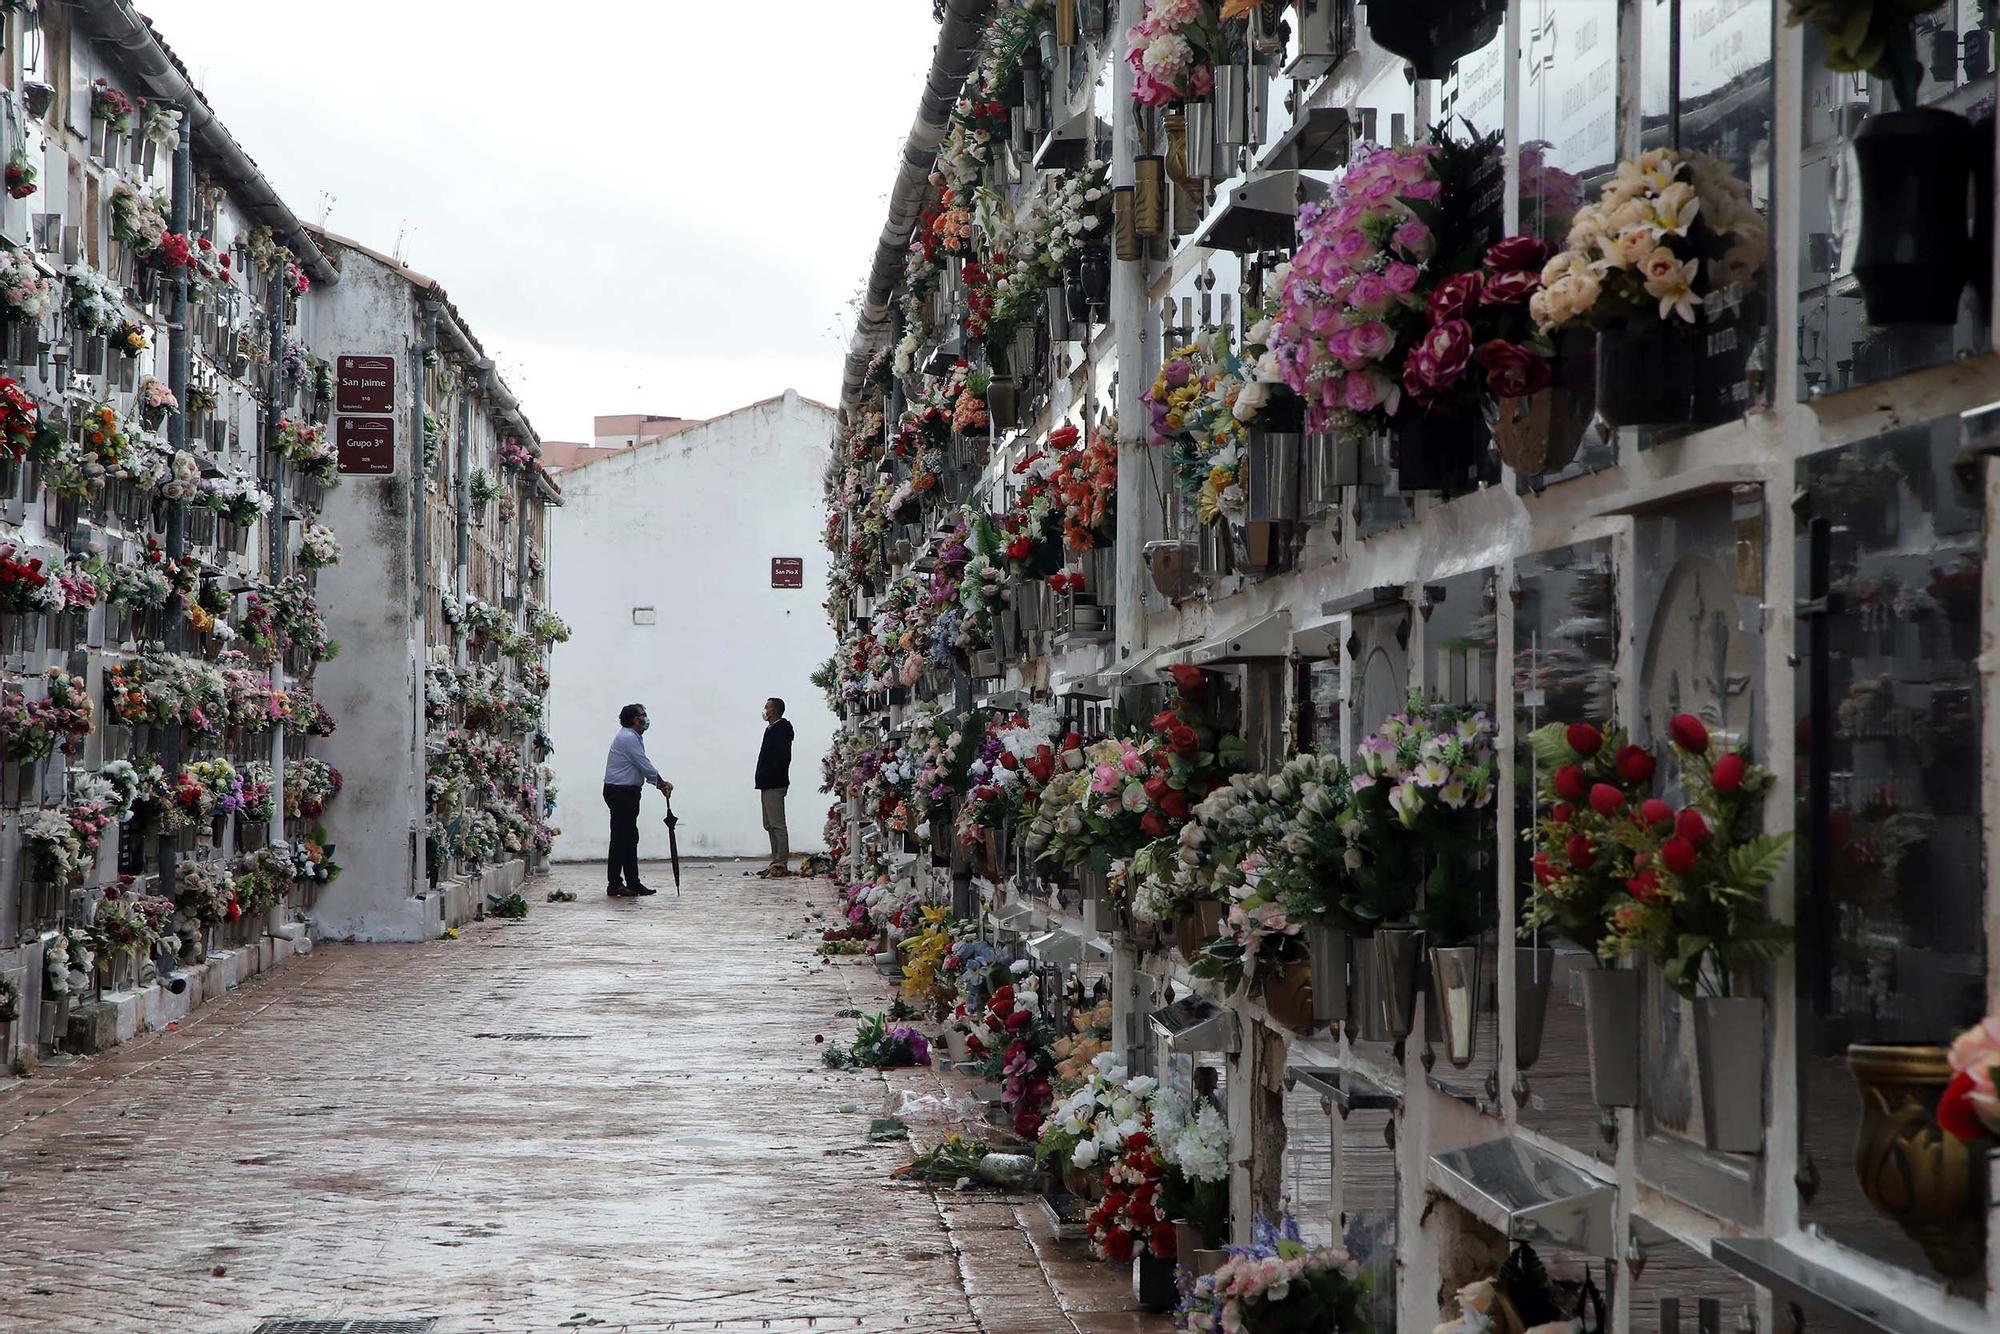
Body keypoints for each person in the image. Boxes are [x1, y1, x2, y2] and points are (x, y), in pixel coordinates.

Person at [603, 703, 672, 897]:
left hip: (628, 792)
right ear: (634, 719)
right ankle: (615, 883)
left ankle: (633, 881)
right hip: (620, 792)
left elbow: (641, 764)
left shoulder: (633, 737)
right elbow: (644, 764)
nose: (646, 718)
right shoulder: (627, 737)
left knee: (630, 837)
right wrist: (661, 783)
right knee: (621, 838)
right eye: (643, 715)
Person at [754, 697, 794, 878]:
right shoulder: (771, 729)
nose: (764, 710)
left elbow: (780, 758)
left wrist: (771, 774)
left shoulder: (781, 730)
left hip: (774, 782)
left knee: (777, 824)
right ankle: (775, 859)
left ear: (775, 711)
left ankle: (781, 861)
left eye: (767, 707)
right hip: (766, 782)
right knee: (769, 823)